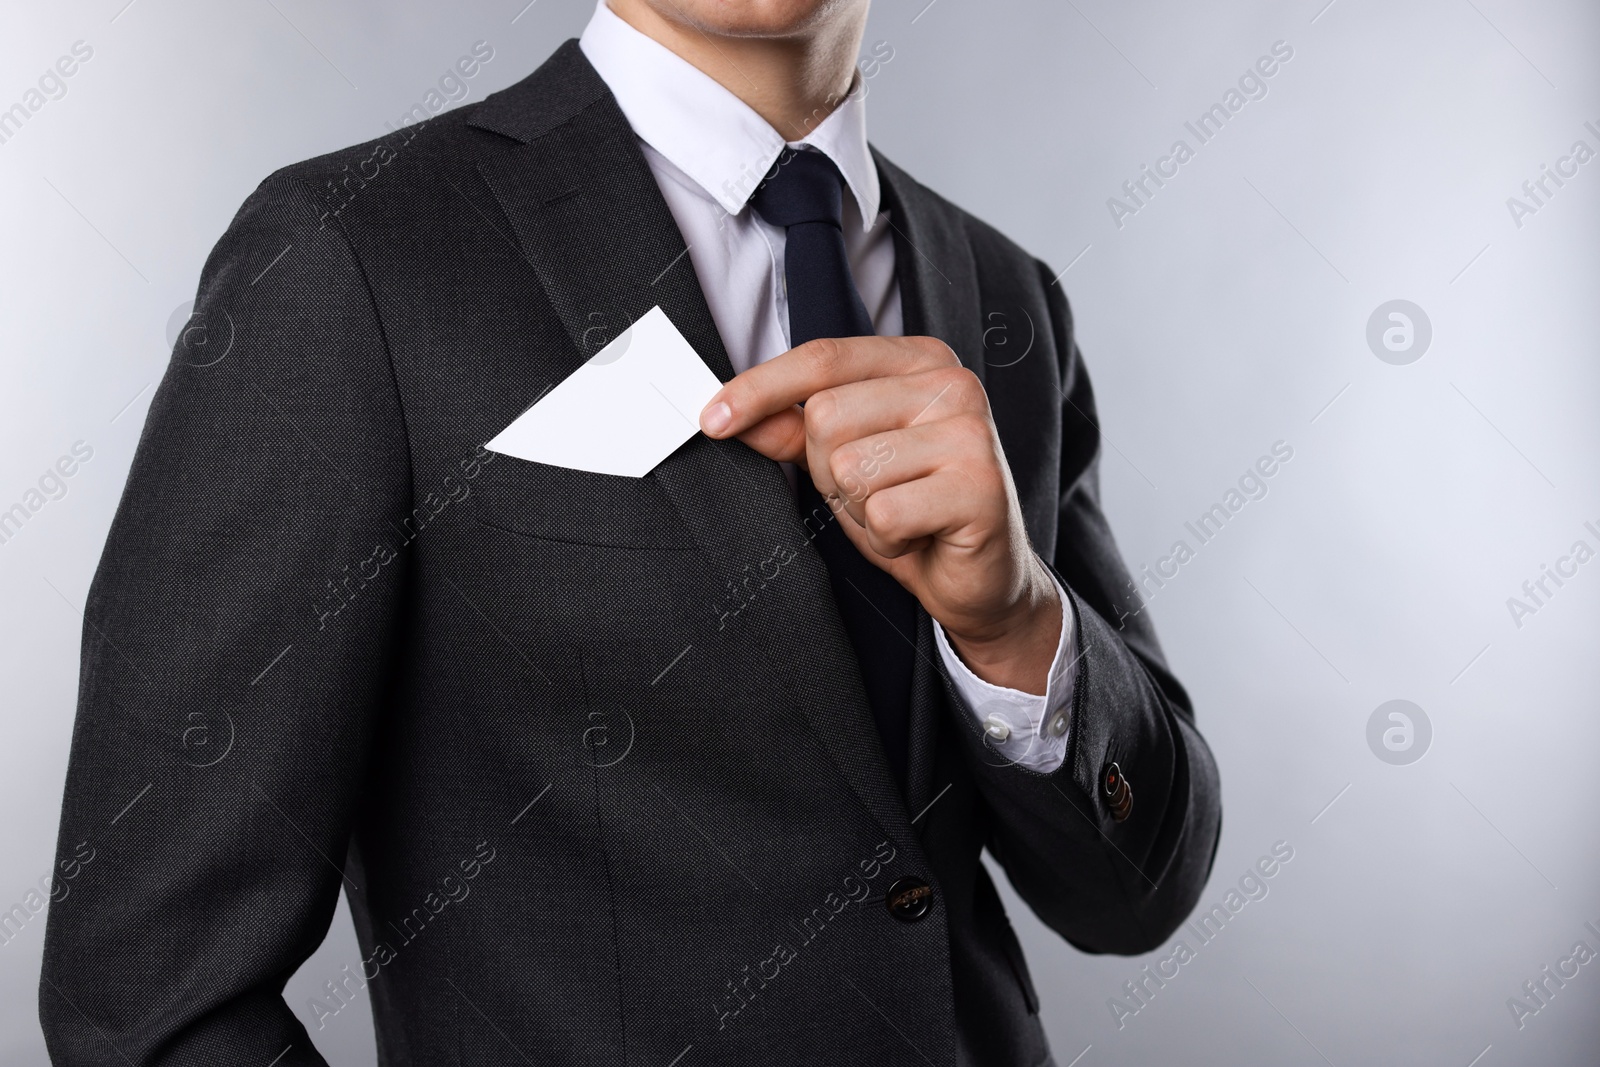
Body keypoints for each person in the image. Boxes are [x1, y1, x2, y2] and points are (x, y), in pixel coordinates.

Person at [40, 1, 1220, 1063]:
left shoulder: (1007, 295)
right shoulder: (353, 251)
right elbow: (145, 989)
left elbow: (1136, 896)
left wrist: (1014, 625)